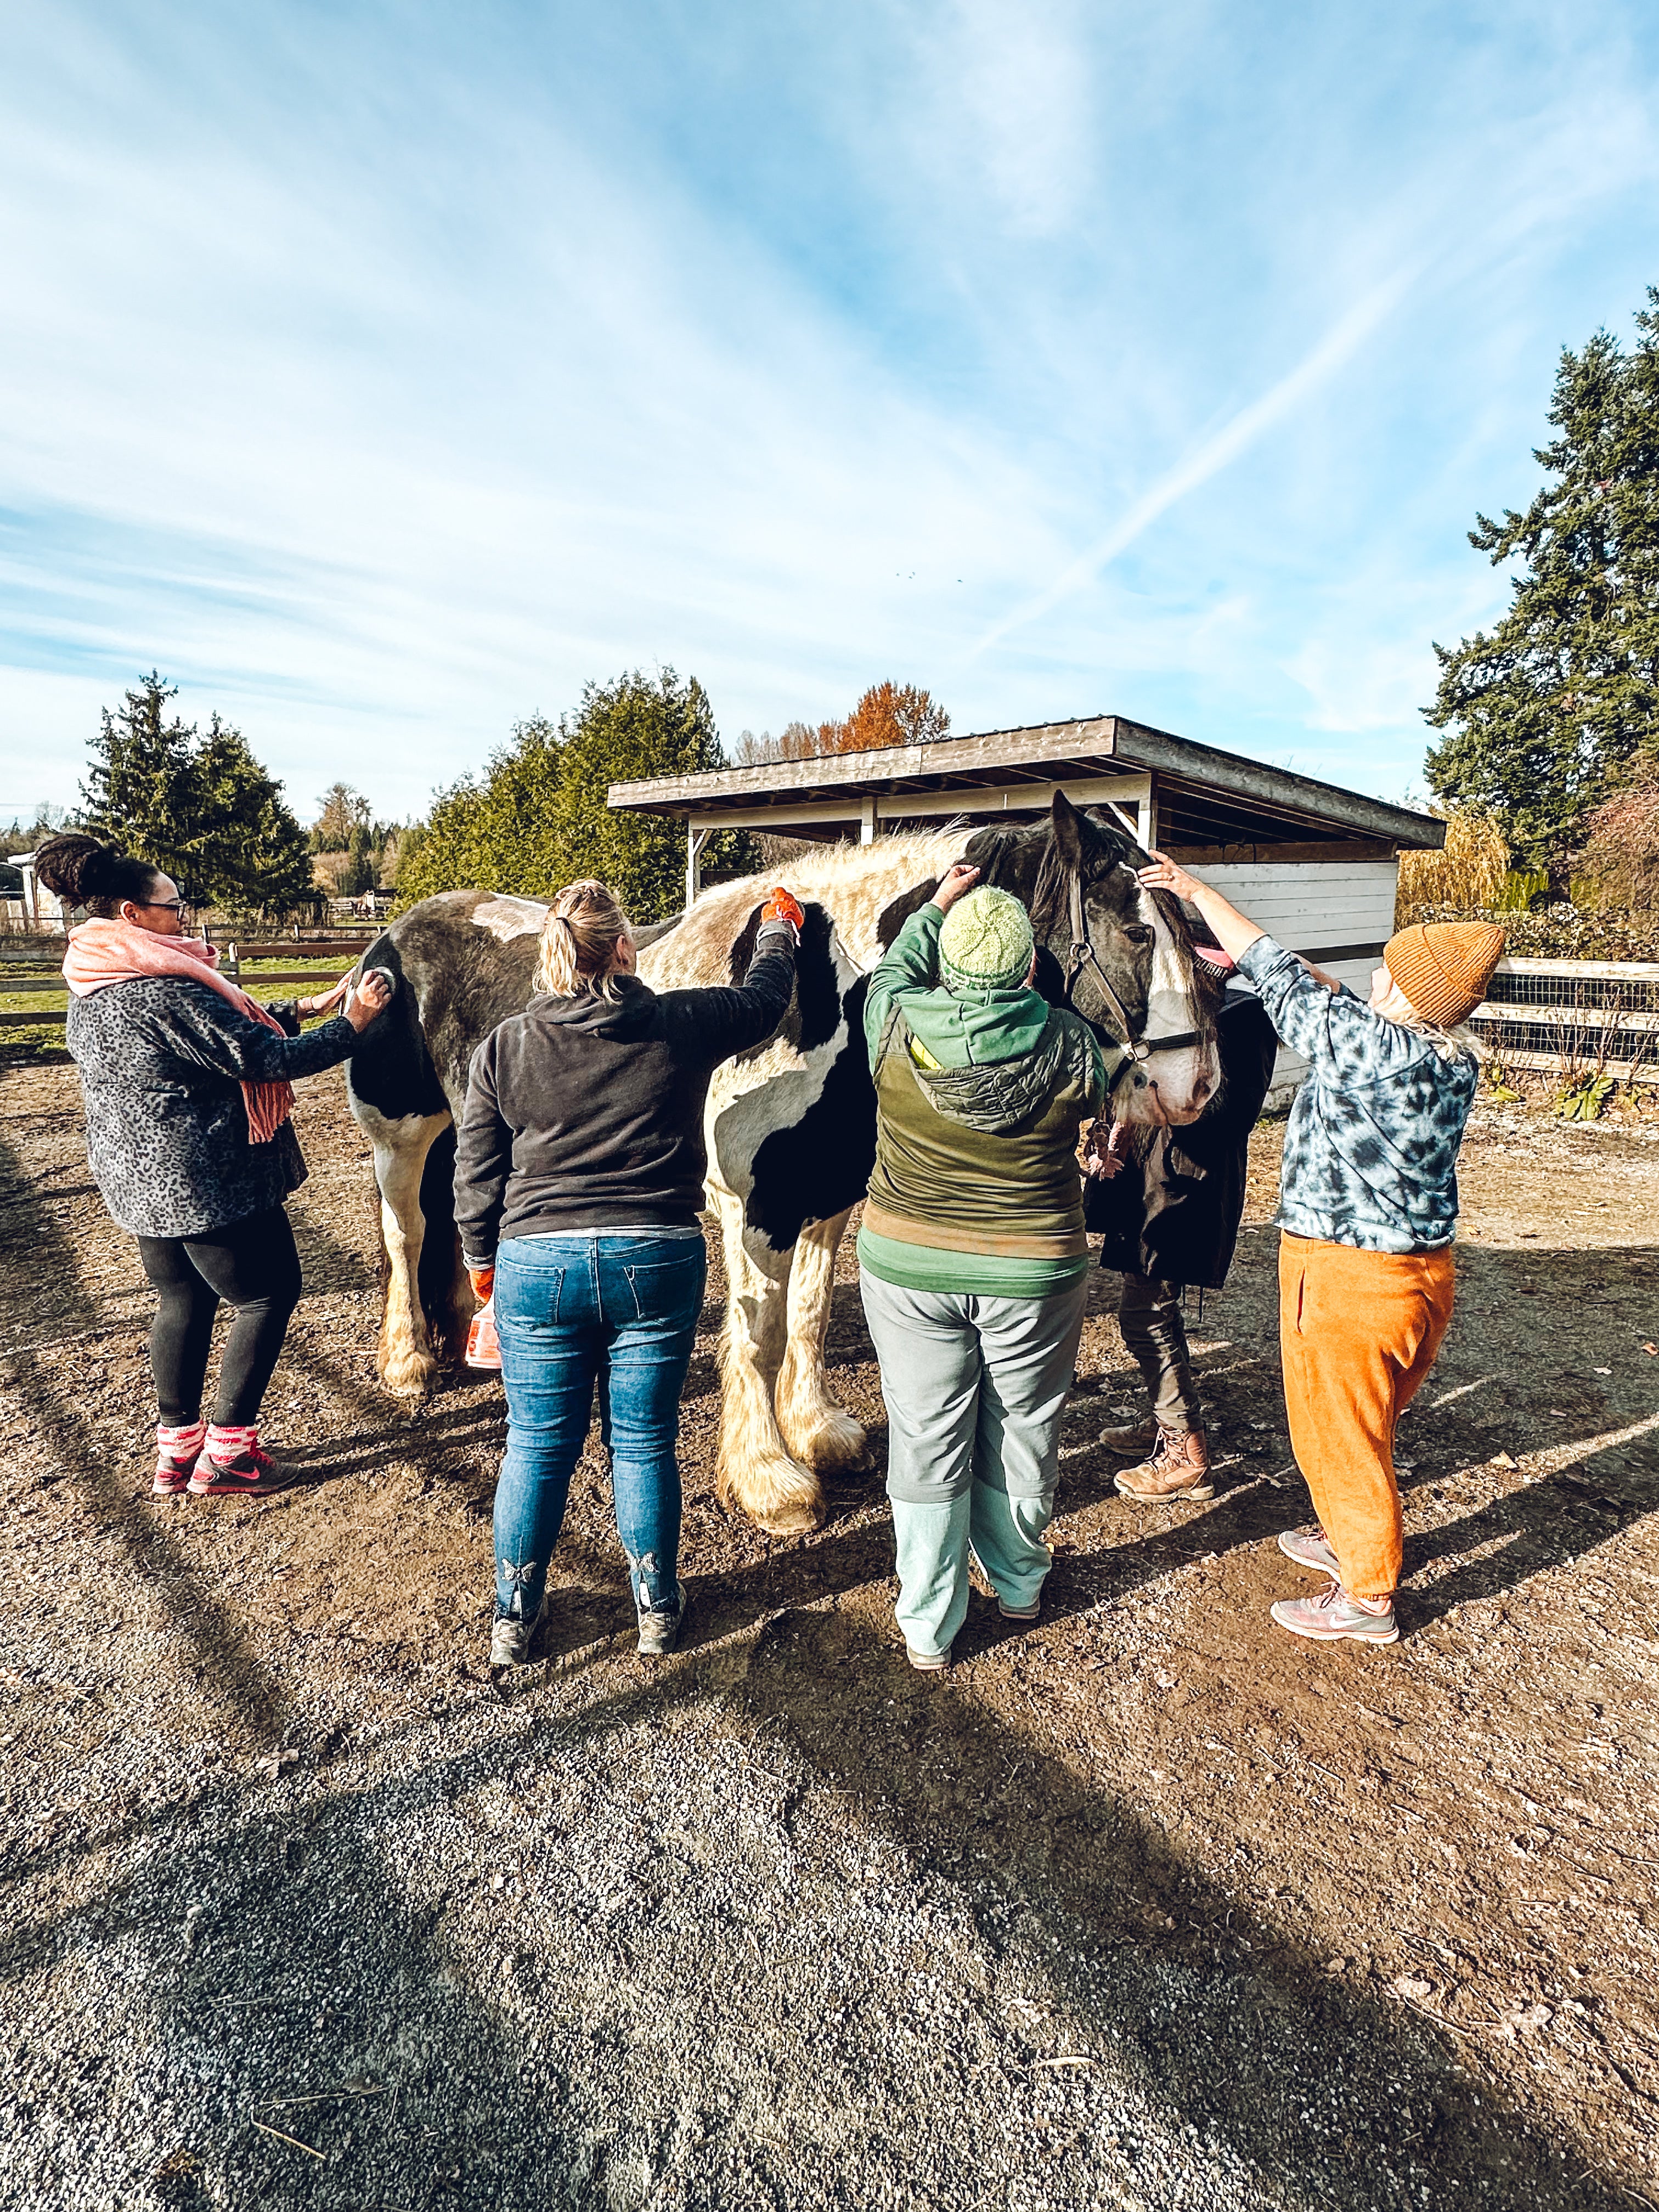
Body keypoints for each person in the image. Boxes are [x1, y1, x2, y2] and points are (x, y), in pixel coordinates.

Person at [1137, 846, 1503, 1645]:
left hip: (1348, 1282)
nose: (1374, 978)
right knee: (1363, 1426)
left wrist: (1198, 891)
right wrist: (1309, 977)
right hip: (1418, 1277)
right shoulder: (1445, 1058)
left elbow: (1276, 972)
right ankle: (1346, 1539)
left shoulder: (1368, 1049)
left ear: (1412, 994)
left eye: (1388, 973)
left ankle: (1367, 1597)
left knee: (1337, 1434)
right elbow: (1329, 998)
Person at [453, 877, 803, 1669]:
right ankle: (655, 1607)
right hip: (655, 1254)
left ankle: (514, 1614)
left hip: (537, 1263)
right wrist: (778, 928)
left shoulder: (504, 1046)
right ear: (622, 947)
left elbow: (476, 1173)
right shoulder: (678, 1022)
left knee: (536, 1445)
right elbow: (761, 1000)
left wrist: (483, 1264)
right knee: (643, 1442)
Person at [39, 833, 392, 1499]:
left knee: (182, 1297)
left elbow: (218, 1035)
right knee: (268, 1295)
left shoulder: (94, 974)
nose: (185, 914)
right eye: (173, 904)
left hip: (136, 1177)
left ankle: (176, 1450)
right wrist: (353, 1024)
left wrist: (302, 1009)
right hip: (205, 1181)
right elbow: (266, 1060)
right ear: (131, 914)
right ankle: (231, 1452)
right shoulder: (165, 990)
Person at [857, 864, 1113, 1669]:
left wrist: (935, 907)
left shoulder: (893, 1019)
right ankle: (1021, 1582)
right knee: (1025, 1421)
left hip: (908, 1264)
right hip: (1036, 1269)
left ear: (947, 965)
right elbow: (1108, 1110)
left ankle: (929, 1625)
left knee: (927, 1435)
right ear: (1030, 969)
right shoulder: (1071, 1042)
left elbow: (892, 968)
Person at [1084, 970, 1278, 1500]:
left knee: (1144, 1318)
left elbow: (1228, 1117)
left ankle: (1185, 1452)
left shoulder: (1242, 1017)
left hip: (1184, 1189)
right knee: (1154, 1312)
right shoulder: (1173, 1010)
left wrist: (1149, 1101)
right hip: (1148, 1184)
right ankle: (1166, 1418)